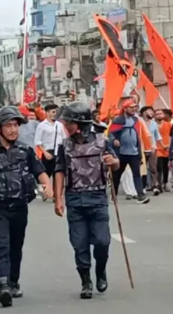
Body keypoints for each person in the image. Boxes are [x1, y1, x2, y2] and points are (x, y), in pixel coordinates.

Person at [0, 106, 53, 307]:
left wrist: (47, 185)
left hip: (20, 206)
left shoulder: (25, 150)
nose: (14, 130)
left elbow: (39, 171)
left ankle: (13, 281)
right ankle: (3, 285)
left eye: (16, 125)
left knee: (16, 246)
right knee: (1, 245)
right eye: (9, 126)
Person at [53, 102, 120, 299]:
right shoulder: (64, 145)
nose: (66, 126)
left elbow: (116, 163)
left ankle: (100, 270)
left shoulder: (102, 141)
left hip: (98, 198)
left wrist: (113, 162)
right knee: (79, 244)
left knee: (102, 241)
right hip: (74, 199)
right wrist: (58, 199)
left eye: (70, 122)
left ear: (81, 123)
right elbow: (59, 171)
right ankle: (85, 281)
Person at [108, 99, 151, 204]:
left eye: (135, 107)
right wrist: (114, 140)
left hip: (134, 153)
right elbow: (110, 133)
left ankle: (141, 196)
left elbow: (138, 136)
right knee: (117, 176)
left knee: (137, 175)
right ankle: (113, 196)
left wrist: (141, 152)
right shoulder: (118, 120)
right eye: (131, 107)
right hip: (121, 153)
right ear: (125, 108)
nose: (134, 109)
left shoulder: (136, 120)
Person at [35, 104, 65, 191]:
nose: (55, 114)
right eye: (53, 112)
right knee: (46, 174)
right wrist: (44, 152)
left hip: (59, 152)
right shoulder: (42, 125)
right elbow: (37, 141)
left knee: (58, 175)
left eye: (56, 112)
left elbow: (64, 139)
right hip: (48, 152)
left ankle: (57, 194)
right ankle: (45, 191)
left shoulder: (60, 125)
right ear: (47, 113)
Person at [140, 106, 162, 194]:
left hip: (152, 148)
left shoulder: (154, 123)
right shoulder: (139, 122)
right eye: (149, 111)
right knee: (143, 169)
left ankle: (154, 187)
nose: (152, 113)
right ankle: (143, 186)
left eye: (152, 111)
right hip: (142, 148)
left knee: (153, 168)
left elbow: (157, 136)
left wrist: (160, 146)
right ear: (144, 112)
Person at [155, 109, 173, 192]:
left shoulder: (168, 124)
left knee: (166, 167)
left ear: (163, 115)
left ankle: (165, 183)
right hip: (157, 148)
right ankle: (159, 183)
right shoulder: (153, 125)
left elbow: (171, 136)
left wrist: (170, 145)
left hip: (167, 148)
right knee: (159, 167)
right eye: (157, 114)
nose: (159, 115)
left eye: (160, 113)